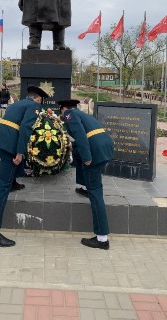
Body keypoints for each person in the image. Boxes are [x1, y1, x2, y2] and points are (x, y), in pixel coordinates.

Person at [0, 85, 49, 247]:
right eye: (41, 101)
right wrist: (20, 152)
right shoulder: (34, 106)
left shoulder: (17, 103)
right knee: (3, 187)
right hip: (9, 143)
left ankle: (13, 183)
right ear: (38, 99)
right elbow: (25, 129)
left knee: (12, 168)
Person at [58, 99, 114, 250]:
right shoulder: (82, 114)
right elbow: (90, 134)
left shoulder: (69, 114)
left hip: (94, 153)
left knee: (96, 194)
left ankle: (102, 239)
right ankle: (84, 187)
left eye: (61, 112)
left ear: (64, 109)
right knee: (93, 185)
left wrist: (87, 157)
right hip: (104, 147)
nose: (62, 116)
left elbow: (80, 135)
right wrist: (73, 146)